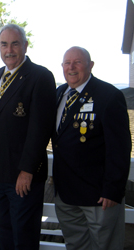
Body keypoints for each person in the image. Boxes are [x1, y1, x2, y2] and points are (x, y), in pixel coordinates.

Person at [0, 24, 57, 250]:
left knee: (23, 237)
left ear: (25, 45)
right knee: (3, 232)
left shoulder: (40, 76)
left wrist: (26, 171)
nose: (9, 50)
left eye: (15, 43)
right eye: (4, 44)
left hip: (22, 178)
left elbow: (40, 129)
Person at [52, 46, 131, 250]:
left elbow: (120, 148)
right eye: (67, 63)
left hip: (99, 196)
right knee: (76, 245)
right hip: (67, 194)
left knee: (106, 246)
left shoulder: (108, 95)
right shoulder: (59, 93)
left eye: (77, 62)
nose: (71, 67)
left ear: (90, 65)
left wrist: (113, 190)